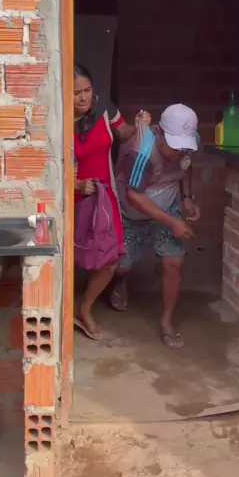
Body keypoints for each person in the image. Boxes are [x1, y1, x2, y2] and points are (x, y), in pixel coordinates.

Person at [111, 104, 200, 349]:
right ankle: (120, 281)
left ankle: (166, 320)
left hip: (167, 203)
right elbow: (133, 195)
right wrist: (172, 222)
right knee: (121, 267)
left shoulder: (188, 144)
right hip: (132, 212)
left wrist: (187, 198)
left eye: (184, 148)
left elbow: (186, 165)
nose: (180, 153)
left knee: (174, 262)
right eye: (175, 147)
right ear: (160, 132)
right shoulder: (142, 152)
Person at [73, 63, 150, 340]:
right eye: (76, 93)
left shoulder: (103, 108)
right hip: (71, 201)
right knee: (69, 259)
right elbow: (49, 165)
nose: (84, 97)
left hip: (104, 200)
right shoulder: (57, 120)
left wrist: (139, 124)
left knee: (109, 261)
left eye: (87, 90)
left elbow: (124, 133)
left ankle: (85, 308)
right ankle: (60, 309)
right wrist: (75, 185)